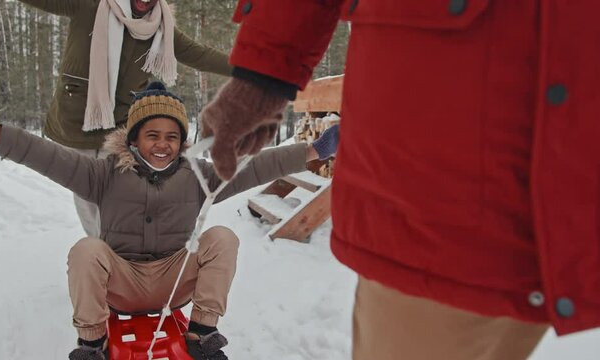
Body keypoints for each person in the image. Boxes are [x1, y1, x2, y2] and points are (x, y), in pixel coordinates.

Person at [199, 1, 600, 359]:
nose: (162, 148)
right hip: (448, 183)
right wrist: (262, 74)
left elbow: (251, 171)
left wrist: (314, 150)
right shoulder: (152, 177)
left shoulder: (185, 176)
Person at [0, 81, 339, 360]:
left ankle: (203, 337)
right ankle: (92, 345)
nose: (163, 144)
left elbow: (256, 165)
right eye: (152, 135)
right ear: (133, 139)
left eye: (172, 136)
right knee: (86, 250)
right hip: (121, 280)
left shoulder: (198, 175)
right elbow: (44, 154)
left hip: (175, 280)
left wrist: (314, 149)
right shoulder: (102, 174)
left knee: (222, 237)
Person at [18, 0, 232, 238]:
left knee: (123, 195)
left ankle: (124, 252)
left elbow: (199, 55)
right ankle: (102, 254)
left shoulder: (160, 26)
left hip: (121, 128)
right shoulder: (90, 5)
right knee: (88, 198)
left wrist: (247, 69)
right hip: (77, 123)